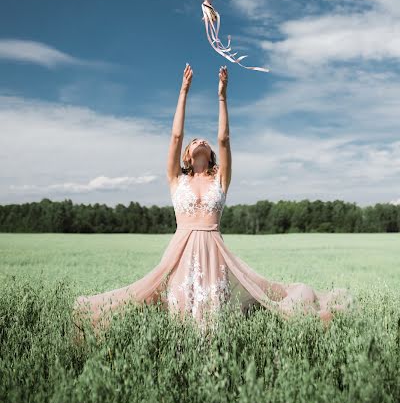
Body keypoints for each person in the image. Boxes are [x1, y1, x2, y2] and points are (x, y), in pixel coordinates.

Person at [72, 64, 353, 337]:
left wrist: (222, 96)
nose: (200, 141)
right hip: (180, 252)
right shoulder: (176, 179)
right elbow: (175, 135)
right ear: (186, 154)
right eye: (195, 141)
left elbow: (225, 138)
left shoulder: (220, 179)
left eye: (203, 141)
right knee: (181, 314)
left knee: (214, 316)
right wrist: (184, 90)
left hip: (213, 250)